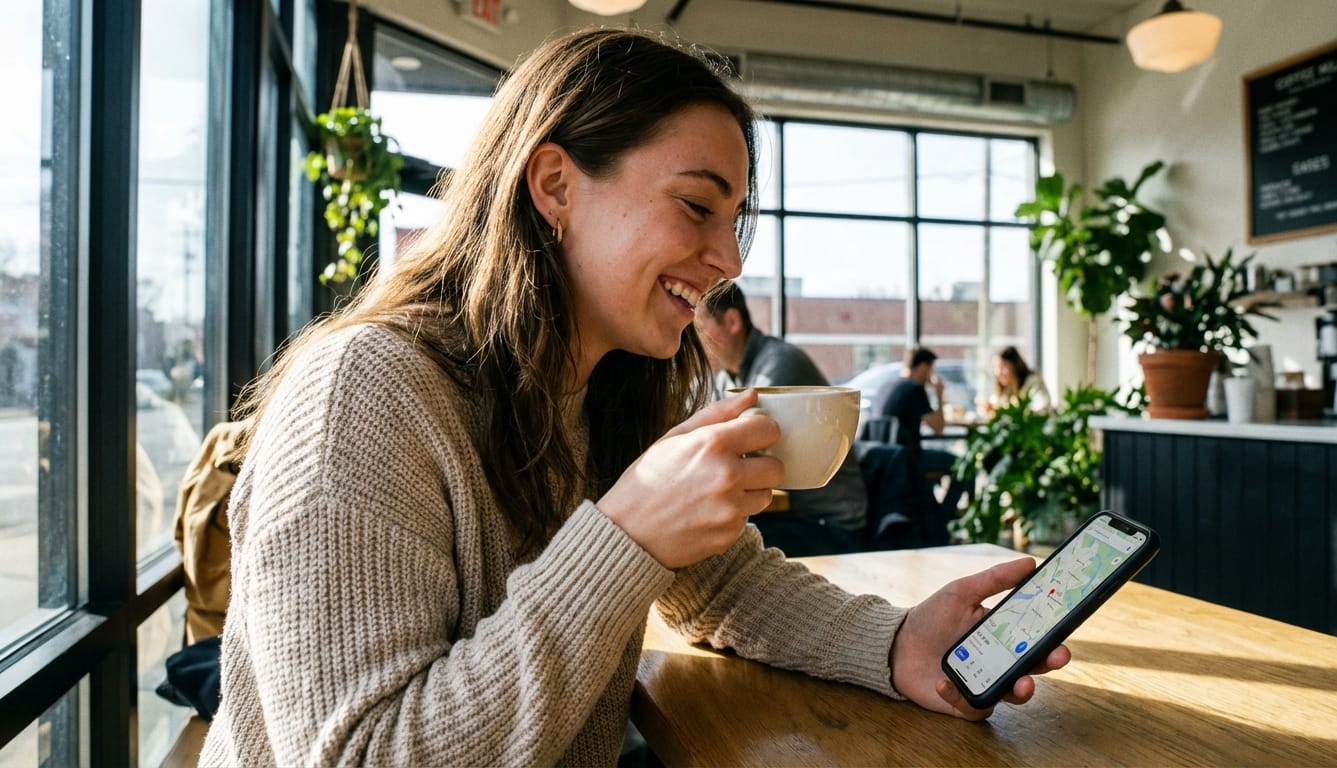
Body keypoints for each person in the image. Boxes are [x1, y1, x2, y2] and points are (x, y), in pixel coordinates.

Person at [198, 28, 1069, 766]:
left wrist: (895, 641)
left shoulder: (605, 390)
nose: (729, 259)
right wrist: (624, 537)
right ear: (555, 187)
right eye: (696, 206)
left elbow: (725, 585)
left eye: (735, 222)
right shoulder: (363, 393)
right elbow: (364, 752)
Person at [694, 281, 868, 556]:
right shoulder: (728, 376)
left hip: (829, 524)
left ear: (731, 321)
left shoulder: (778, 367)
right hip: (795, 514)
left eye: (698, 327)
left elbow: (742, 441)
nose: (691, 339)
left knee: (715, 549)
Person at [879, 346, 975, 520]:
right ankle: (944, 518)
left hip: (891, 459)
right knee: (964, 466)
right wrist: (939, 394)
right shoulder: (915, 389)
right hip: (909, 459)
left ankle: (938, 516)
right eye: (932, 369)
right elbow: (938, 428)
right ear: (924, 367)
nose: (932, 374)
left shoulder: (894, 387)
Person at [986, 346, 1051, 414]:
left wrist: (1009, 412)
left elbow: (1043, 408)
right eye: (995, 367)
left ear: (1015, 366)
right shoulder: (1006, 387)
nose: (998, 372)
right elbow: (996, 403)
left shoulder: (1033, 382)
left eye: (1003, 366)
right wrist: (991, 408)